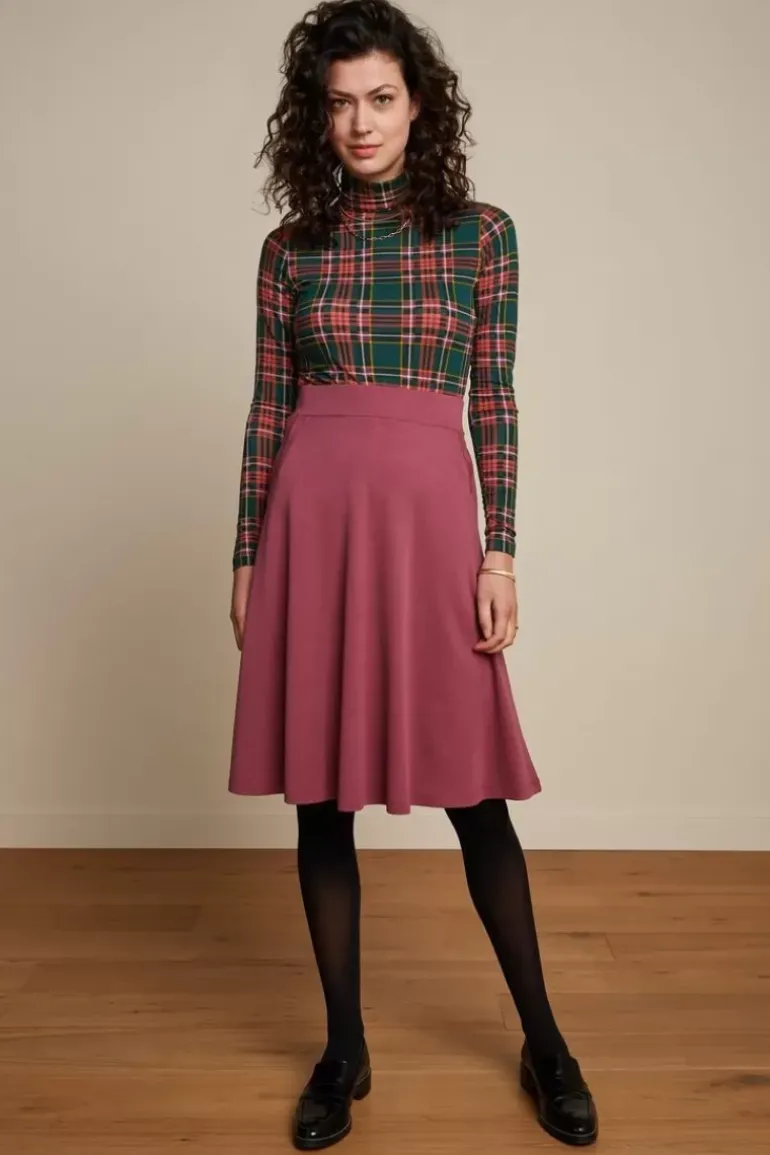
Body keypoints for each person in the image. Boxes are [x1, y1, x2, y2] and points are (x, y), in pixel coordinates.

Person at [228, 1, 598, 1148]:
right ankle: (342, 1049)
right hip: (312, 522)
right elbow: (267, 409)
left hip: (431, 523)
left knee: (473, 795)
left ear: (417, 105)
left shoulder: (480, 235)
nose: (360, 122)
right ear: (315, 116)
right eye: (339, 103)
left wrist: (500, 549)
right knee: (319, 797)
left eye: (379, 98)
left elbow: (494, 398)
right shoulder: (289, 250)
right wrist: (244, 553)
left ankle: (545, 1043)